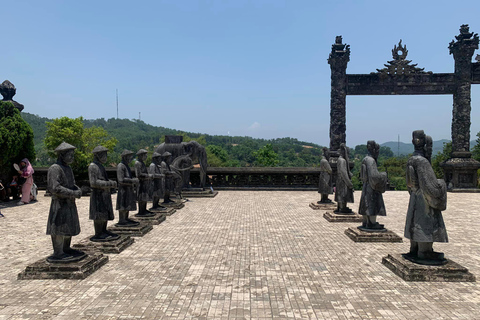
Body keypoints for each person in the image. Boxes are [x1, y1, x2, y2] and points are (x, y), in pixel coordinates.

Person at [404, 130, 448, 265]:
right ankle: (424, 251)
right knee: (424, 223)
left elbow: (409, 183)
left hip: (415, 196)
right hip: (423, 199)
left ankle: (415, 247)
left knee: (415, 220)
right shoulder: (422, 162)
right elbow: (431, 187)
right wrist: (441, 184)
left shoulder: (411, 159)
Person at [46, 142, 86, 263]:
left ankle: (66, 248)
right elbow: (55, 188)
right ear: (62, 155)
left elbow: (71, 183)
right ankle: (58, 252)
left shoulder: (67, 168)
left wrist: (77, 189)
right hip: (59, 203)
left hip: (69, 202)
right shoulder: (55, 168)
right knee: (59, 227)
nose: (72, 157)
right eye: (70, 155)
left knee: (69, 226)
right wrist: (73, 193)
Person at [88, 146, 119, 242]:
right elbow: (94, 182)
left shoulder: (100, 166)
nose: (106, 157)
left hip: (104, 193)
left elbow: (104, 179)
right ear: (97, 155)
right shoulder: (93, 166)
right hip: (98, 194)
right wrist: (109, 183)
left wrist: (110, 182)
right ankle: (98, 233)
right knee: (99, 214)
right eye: (104, 155)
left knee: (105, 213)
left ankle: (103, 230)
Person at [358, 141, 387, 230]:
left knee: (366, 204)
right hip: (371, 187)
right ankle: (372, 223)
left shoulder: (365, 159)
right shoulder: (371, 161)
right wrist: (384, 175)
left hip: (366, 186)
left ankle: (366, 221)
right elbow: (374, 176)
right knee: (371, 205)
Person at [116, 150, 140, 226]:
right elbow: (121, 179)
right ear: (125, 157)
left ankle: (125, 218)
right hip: (123, 189)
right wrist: (132, 180)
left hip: (128, 189)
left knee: (127, 204)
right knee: (123, 204)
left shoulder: (126, 166)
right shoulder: (121, 166)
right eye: (129, 157)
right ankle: (122, 220)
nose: (131, 158)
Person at [334, 143, 354, 213]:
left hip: (340, 179)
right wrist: (349, 183)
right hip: (342, 180)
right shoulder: (342, 160)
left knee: (340, 194)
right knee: (343, 194)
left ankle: (340, 207)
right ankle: (342, 208)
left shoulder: (340, 159)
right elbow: (344, 173)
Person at [134, 149, 154, 216]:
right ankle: (141, 211)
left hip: (145, 182)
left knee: (144, 197)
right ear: (140, 156)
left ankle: (144, 210)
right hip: (141, 183)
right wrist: (148, 176)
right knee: (141, 197)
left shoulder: (142, 163)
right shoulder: (137, 163)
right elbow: (138, 174)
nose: (146, 156)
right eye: (144, 155)